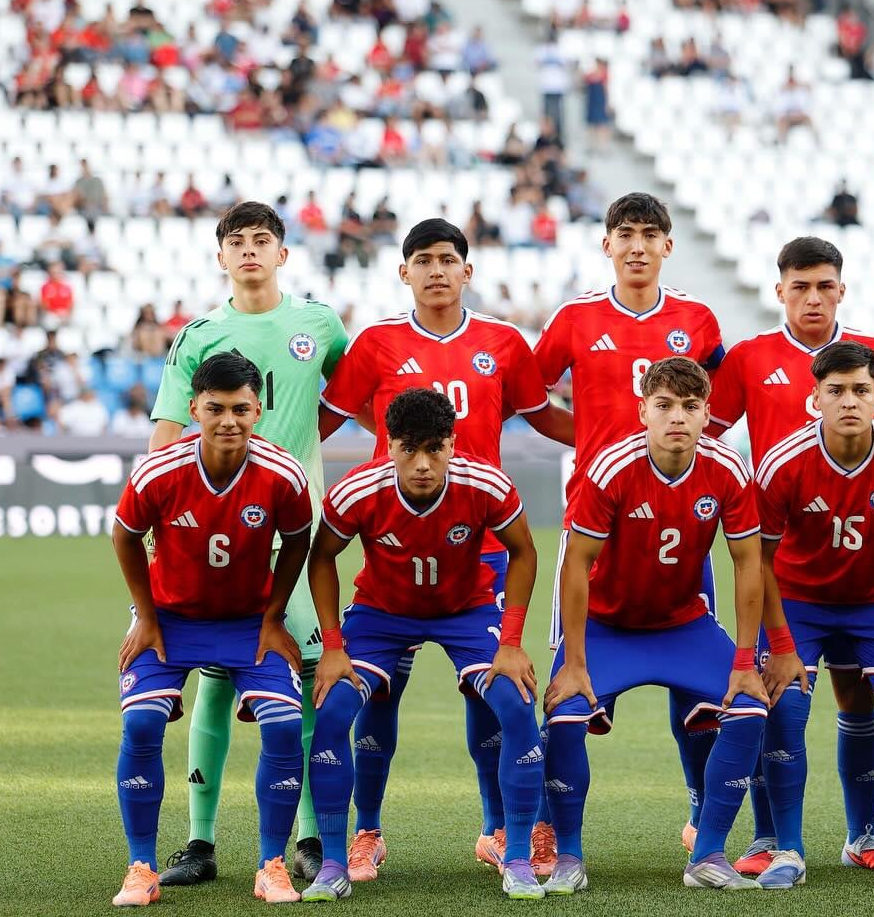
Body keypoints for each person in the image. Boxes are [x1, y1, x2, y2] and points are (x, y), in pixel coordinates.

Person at [317, 218, 572, 877]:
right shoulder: (375, 343)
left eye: (447, 259)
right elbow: (324, 416)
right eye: (422, 260)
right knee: (378, 695)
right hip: (396, 544)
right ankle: (366, 833)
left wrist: (615, 438)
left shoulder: (503, 341)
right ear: (403, 272)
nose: (435, 270)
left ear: (467, 271)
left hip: (482, 540)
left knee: (490, 693)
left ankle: (499, 830)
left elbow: (542, 414)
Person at [706, 236, 874, 875]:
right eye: (799, 286)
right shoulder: (750, 360)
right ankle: (775, 840)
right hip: (790, 580)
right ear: (780, 290)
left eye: (824, 285)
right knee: (778, 696)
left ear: (842, 288)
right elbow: (706, 438)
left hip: (870, 585)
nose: (812, 297)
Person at [149, 202, 348, 887]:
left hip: (296, 535)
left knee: (307, 681)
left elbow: (353, 392)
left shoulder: (318, 324)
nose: (250, 251)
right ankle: (201, 843)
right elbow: (168, 434)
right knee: (215, 676)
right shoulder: (199, 335)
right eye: (237, 242)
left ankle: (312, 838)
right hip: (218, 541)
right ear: (221, 257)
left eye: (263, 240)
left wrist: (302, 456)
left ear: (283, 254)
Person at [533, 192, 727, 856]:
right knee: (569, 683)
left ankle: (704, 809)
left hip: (680, 522)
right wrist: (588, 436)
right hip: (597, 521)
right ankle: (545, 830)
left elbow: (716, 406)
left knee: (698, 688)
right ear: (607, 245)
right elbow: (531, 398)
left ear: (668, 245)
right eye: (626, 234)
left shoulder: (697, 321)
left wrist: (687, 455)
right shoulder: (576, 318)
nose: (638, 245)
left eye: (650, 234)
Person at [302, 388, 546, 901]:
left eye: (434, 448)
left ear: (452, 445)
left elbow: (524, 552)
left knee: (517, 703)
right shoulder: (356, 491)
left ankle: (517, 853)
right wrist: (332, 645)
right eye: (408, 448)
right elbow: (321, 558)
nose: (421, 464)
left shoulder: (486, 483)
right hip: (382, 615)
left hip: (466, 611)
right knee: (333, 708)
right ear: (388, 445)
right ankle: (342, 852)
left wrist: (513, 640)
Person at [542, 357, 769, 892]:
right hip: (607, 628)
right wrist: (573, 662)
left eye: (690, 408)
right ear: (642, 410)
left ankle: (709, 854)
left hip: (682, 625)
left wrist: (745, 660)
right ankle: (570, 855)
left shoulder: (728, 469)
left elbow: (747, 564)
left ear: (707, 414)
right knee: (565, 714)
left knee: (752, 706)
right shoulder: (609, 468)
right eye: (664, 406)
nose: (677, 419)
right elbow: (576, 564)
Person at [109, 352, 313, 906]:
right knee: (144, 724)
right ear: (194, 408)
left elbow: (298, 540)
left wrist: (273, 619)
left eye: (241, 409)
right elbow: (124, 535)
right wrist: (146, 618)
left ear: (259, 409)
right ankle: (141, 867)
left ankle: (271, 864)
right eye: (216, 409)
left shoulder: (281, 473)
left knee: (283, 726)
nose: (229, 421)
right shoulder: (159, 470)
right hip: (169, 619)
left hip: (249, 622)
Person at [752, 342, 874, 890]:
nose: (849, 401)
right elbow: (757, 562)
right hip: (798, 603)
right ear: (815, 399)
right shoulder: (782, 462)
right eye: (835, 391)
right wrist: (783, 646)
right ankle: (788, 849)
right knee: (784, 708)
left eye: (861, 390)